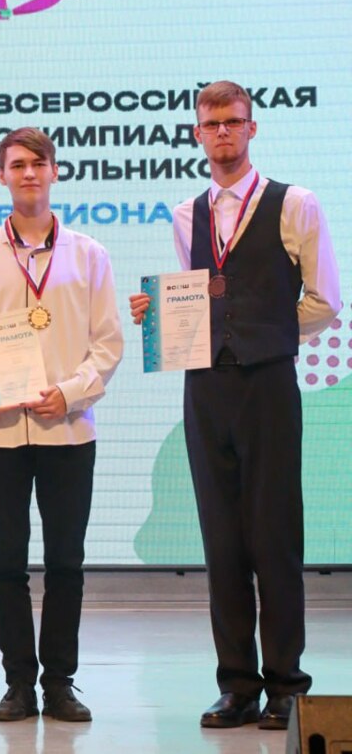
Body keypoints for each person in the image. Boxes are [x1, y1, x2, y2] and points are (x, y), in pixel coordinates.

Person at [128, 80, 341, 730]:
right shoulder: (184, 214)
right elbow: (198, 299)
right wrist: (159, 314)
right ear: (197, 134)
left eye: (233, 121)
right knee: (221, 540)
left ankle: (286, 684)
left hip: (268, 381)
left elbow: (324, 300)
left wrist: (262, 332)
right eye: (211, 123)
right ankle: (237, 685)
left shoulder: (294, 202)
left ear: (252, 128)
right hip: (205, 387)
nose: (222, 131)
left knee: (274, 535)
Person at [0, 127, 122, 723]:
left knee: (66, 562)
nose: (29, 173)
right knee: (6, 563)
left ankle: (60, 683)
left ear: (55, 171)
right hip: (0, 433)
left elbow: (108, 344)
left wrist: (69, 394)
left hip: (68, 430)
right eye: (17, 164)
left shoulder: (90, 254)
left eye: (38, 163)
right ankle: (18, 683)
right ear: (1, 175)